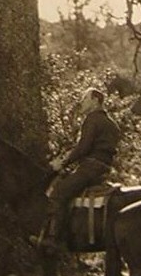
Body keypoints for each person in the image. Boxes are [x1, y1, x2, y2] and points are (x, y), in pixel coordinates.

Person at [38, 87, 120, 250]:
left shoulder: (92, 119)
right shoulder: (113, 125)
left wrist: (63, 162)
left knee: (59, 192)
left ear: (95, 100)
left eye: (85, 99)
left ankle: (54, 239)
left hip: (89, 168)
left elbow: (83, 148)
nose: (81, 103)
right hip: (104, 169)